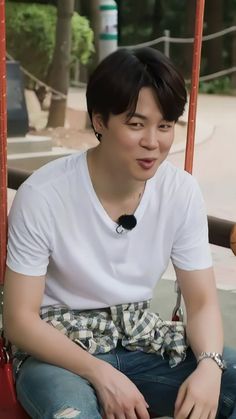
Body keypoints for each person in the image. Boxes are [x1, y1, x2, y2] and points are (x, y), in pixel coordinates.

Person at [3, 47, 236, 419]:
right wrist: (101, 373)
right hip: (59, 350)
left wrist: (209, 366)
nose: (153, 142)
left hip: (141, 338)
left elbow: (203, 301)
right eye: (135, 124)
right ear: (99, 121)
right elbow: (20, 319)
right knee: (72, 414)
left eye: (164, 125)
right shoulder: (45, 194)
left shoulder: (180, 190)